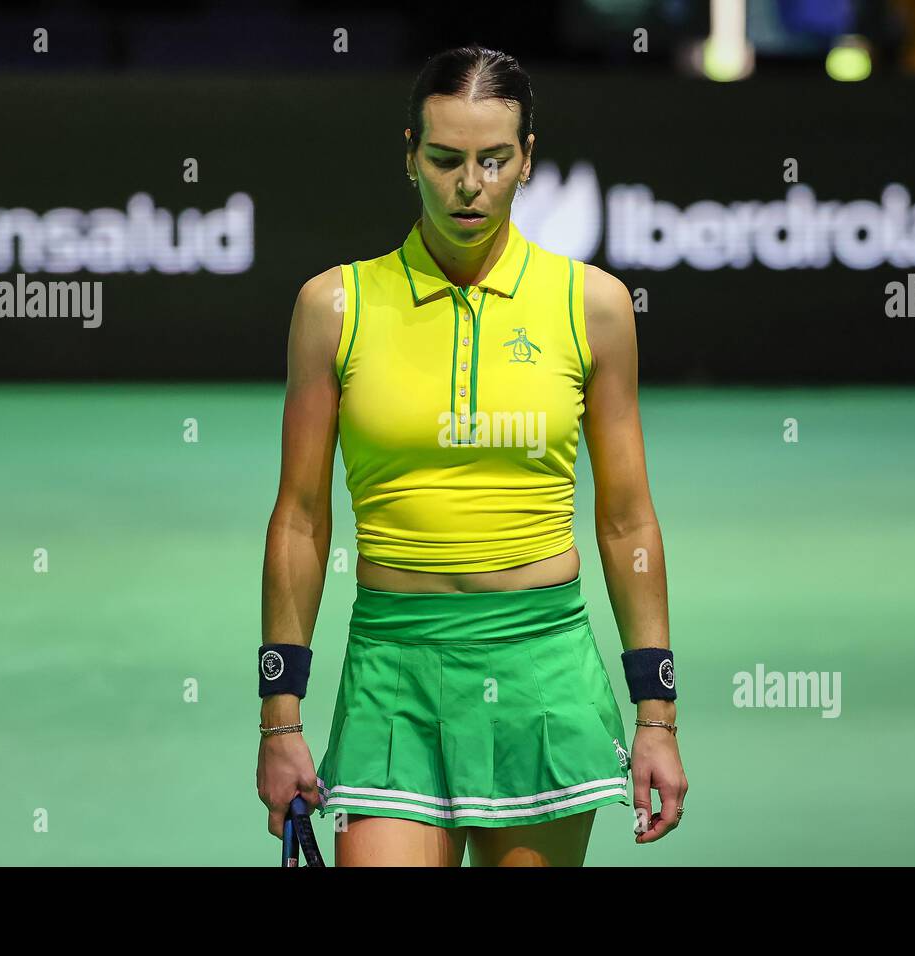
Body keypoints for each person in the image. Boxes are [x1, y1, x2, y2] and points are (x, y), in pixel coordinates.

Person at [256, 44, 687, 867]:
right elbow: (301, 522)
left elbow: (628, 517)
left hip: (542, 672)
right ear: (409, 155)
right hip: (395, 672)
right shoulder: (333, 307)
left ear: (528, 160)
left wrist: (656, 717)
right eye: (446, 159)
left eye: (494, 159)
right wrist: (281, 720)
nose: (469, 184)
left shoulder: (591, 305)